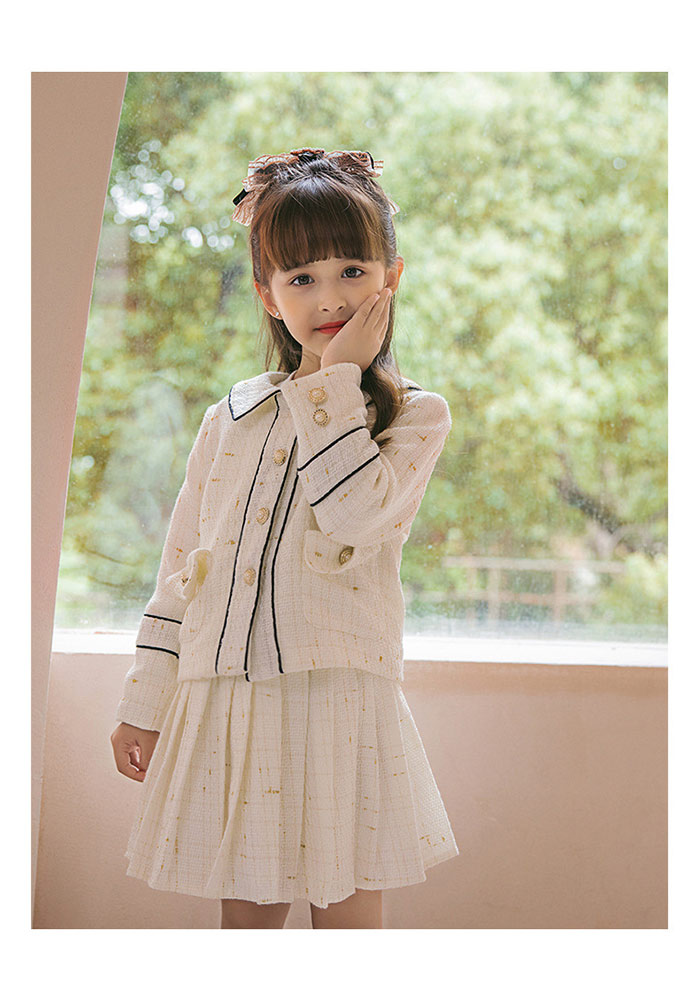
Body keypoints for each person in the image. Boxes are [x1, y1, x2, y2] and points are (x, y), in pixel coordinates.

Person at [110, 147, 459, 930]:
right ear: (268, 294)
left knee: (345, 919)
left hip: (338, 698)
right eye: (301, 278)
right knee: (248, 925)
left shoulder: (414, 416)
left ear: (391, 278)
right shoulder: (230, 418)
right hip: (229, 699)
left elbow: (353, 517)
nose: (329, 297)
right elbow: (182, 570)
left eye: (351, 271)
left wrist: (334, 380)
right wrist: (145, 699)